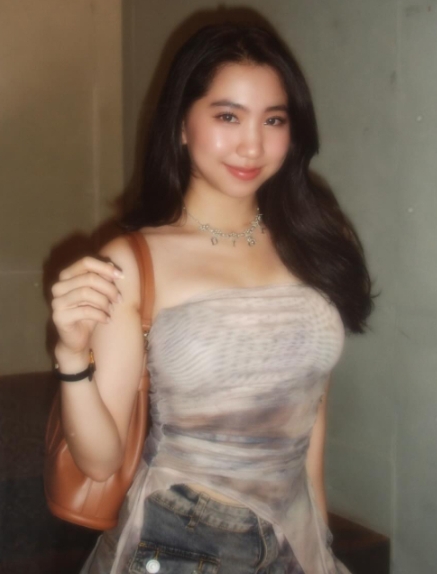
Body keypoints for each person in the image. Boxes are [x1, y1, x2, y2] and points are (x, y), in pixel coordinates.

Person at [51, 22, 373, 574]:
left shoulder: (315, 241)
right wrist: (71, 354)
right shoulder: (133, 261)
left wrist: (320, 541)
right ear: (182, 124)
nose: (252, 145)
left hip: (295, 540)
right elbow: (100, 463)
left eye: (274, 120)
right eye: (228, 116)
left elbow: (310, 413)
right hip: (178, 542)